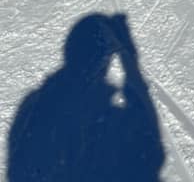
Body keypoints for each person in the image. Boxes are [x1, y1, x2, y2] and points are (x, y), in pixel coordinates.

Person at [7, 13, 165, 182]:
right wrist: (130, 62)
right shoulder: (105, 123)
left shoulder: (33, 108)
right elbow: (149, 150)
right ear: (103, 63)